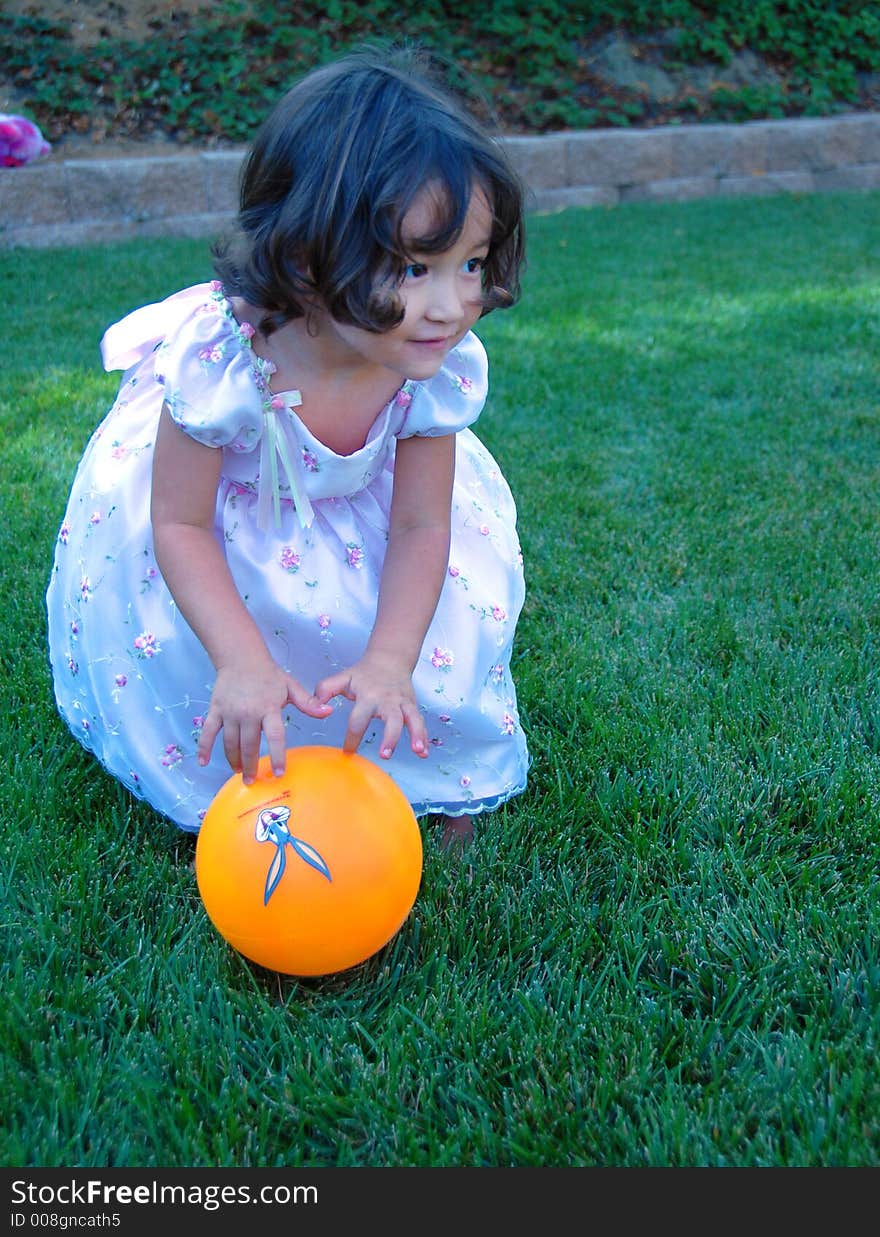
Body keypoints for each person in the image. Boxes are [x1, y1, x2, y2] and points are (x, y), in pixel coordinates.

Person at [46, 43, 529, 851]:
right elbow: (180, 526)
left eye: (471, 263)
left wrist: (388, 657)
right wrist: (240, 659)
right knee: (220, 657)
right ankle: (236, 759)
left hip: (369, 522)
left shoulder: (431, 370)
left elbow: (420, 529)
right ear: (307, 255)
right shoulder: (228, 356)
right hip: (223, 525)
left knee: (422, 641)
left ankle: (425, 768)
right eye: (414, 267)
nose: (452, 304)